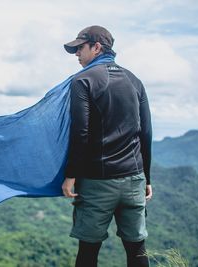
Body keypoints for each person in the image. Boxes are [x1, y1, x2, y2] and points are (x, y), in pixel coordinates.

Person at [61, 25, 153, 267]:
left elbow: (80, 133)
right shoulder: (135, 81)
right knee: (137, 250)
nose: (76, 54)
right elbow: (146, 133)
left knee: (88, 252)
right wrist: (148, 179)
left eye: (80, 48)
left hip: (96, 183)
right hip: (134, 179)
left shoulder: (82, 81)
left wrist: (70, 175)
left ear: (97, 47)